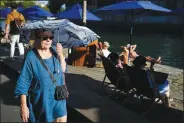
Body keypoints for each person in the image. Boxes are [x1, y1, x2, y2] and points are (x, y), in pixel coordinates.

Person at [14, 29, 67, 122]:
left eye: (50, 37)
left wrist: (61, 55)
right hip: (41, 103)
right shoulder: (31, 57)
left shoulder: (54, 52)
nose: (48, 40)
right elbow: (23, 82)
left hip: (59, 100)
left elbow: (62, 70)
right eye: (45, 37)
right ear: (37, 39)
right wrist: (23, 106)